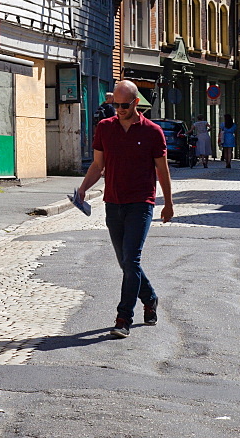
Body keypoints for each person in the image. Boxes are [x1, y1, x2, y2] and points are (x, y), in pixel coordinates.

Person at [75, 79, 173, 339]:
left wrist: (169, 204)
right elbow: (97, 165)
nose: (119, 109)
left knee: (132, 260)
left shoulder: (153, 131)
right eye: (115, 104)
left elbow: (162, 170)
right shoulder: (105, 128)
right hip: (113, 204)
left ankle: (123, 318)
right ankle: (150, 298)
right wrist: (83, 188)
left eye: (124, 105)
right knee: (125, 262)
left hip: (141, 203)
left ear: (136, 102)